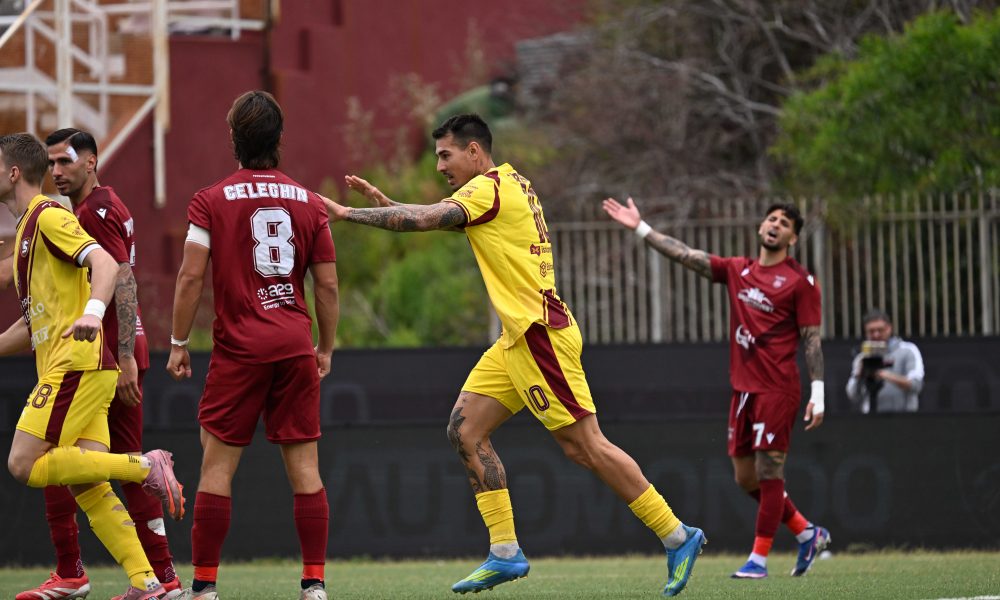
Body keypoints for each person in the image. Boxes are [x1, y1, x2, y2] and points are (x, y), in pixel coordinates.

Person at [322, 114, 706, 597]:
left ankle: (677, 535)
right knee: (465, 430)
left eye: (445, 155)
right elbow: (438, 218)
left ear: (474, 152)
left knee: (586, 446)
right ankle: (505, 552)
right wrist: (389, 205)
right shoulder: (509, 183)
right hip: (515, 339)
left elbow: (426, 219)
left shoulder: (487, 189)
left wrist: (347, 213)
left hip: (540, 336)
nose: (440, 166)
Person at [166, 90, 340, 600]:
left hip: (239, 351)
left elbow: (189, 277)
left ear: (233, 139)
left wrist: (178, 342)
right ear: (279, 139)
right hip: (294, 347)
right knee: (305, 471)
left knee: (217, 469)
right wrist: (325, 347)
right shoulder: (309, 201)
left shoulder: (210, 200)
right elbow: (327, 286)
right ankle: (314, 584)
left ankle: (205, 587)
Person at [602, 196, 830, 579]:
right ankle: (807, 533)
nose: (775, 225)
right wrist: (641, 227)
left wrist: (818, 393)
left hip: (778, 389)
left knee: (769, 471)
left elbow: (811, 339)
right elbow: (686, 255)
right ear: (761, 226)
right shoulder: (739, 270)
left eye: (785, 223)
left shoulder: (800, 282)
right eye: (772, 219)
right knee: (745, 478)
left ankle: (758, 560)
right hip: (743, 390)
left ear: (792, 238)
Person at [0, 132, 184, 600]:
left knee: (22, 462)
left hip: (77, 364)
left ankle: (144, 465)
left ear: (13, 172)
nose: (59, 171)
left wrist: (93, 313)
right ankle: (149, 583)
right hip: (82, 364)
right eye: (54, 163)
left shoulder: (49, 215)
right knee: (88, 485)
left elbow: (106, 265)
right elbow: (35, 321)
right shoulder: (29, 228)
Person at [846, 309, 924, 413]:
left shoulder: (908, 350)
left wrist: (884, 375)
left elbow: (916, 385)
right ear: (866, 332)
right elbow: (852, 395)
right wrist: (859, 375)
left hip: (904, 418)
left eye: (880, 330)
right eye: (871, 331)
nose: (876, 335)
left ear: (889, 328)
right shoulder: (862, 358)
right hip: (871, 419)